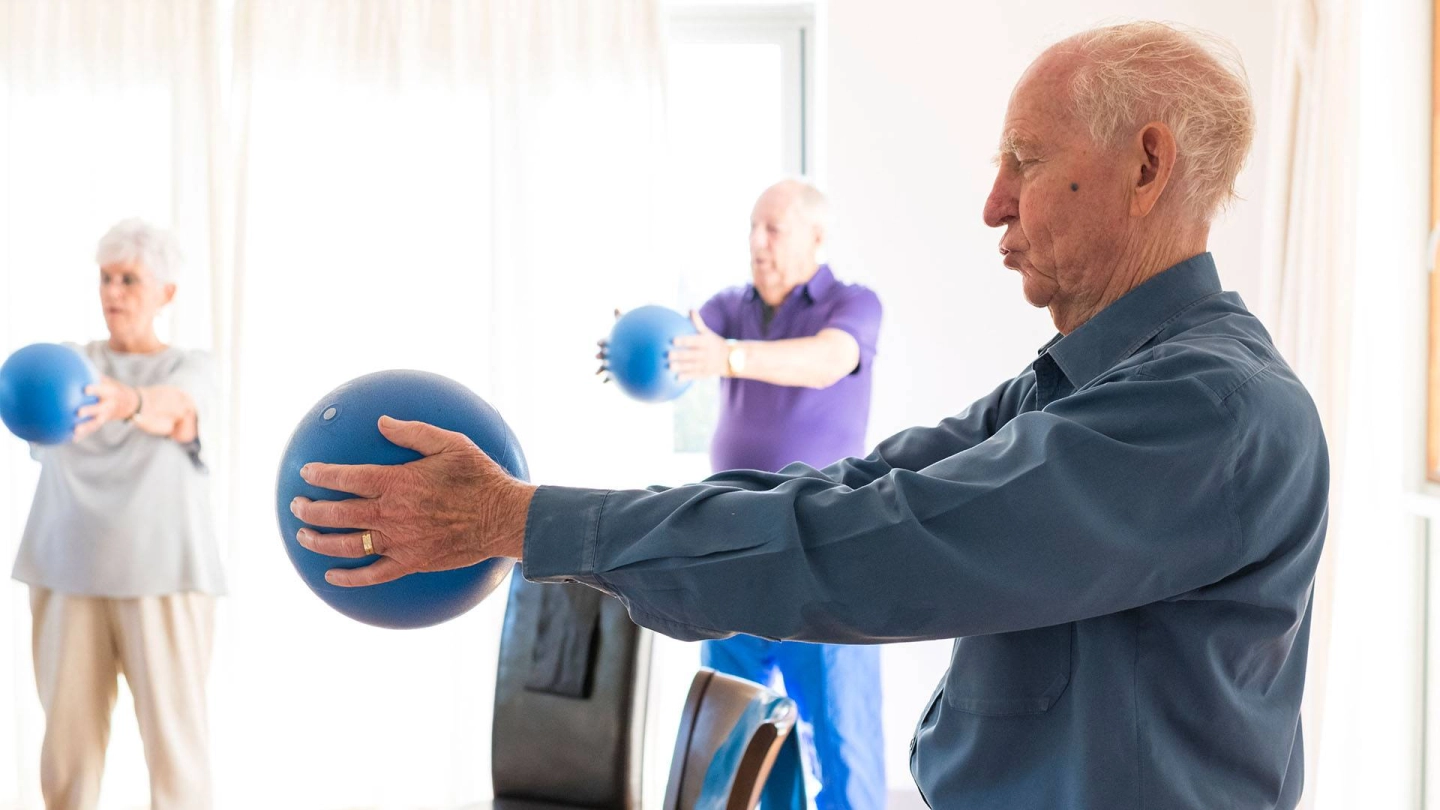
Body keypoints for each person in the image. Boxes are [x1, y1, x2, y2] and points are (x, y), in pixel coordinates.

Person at [290, 22, 1327, 809]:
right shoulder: (1074, 382)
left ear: (1146, 167)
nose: (992, 204)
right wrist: (542, 513)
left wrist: (522, 523)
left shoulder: (1210, 411)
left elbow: (883, 545)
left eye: (1024, 158)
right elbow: (855, 488)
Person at [663, 178, 884, 810]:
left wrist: (729, 357)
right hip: (732, 546)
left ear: (816, 236)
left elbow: (826, 361)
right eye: (753, 228)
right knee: (730, 740)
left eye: (775, 229)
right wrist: (639, 347)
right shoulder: (730, 306)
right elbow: (678, 342)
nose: (758, 242)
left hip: (827, 553)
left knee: (842, 745)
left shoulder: (853, 303)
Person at [13, 219, 223, 810]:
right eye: (106, 278)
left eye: (130, 279)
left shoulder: (192, 368)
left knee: (178, 762)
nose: (113, 293)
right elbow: (26, 396)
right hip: (66, 577)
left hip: (166, 580)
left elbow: (177, 410)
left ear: (166, 295)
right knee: (66, 765)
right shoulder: (68, 363)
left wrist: (126, 402)